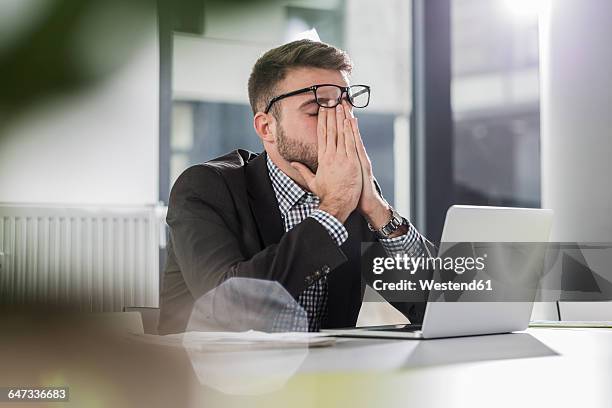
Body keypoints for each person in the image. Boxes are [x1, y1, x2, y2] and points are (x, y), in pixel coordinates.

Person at [158, 39, 428, 334]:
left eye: (346, 106)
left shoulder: (354, 192)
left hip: (325, 377)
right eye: (316, 110)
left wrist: (379, 212)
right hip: (209, 377)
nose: (341, 121)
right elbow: (231, 309)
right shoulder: (204, 188)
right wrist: (332, 210)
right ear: (266, 127)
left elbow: (448, 304)